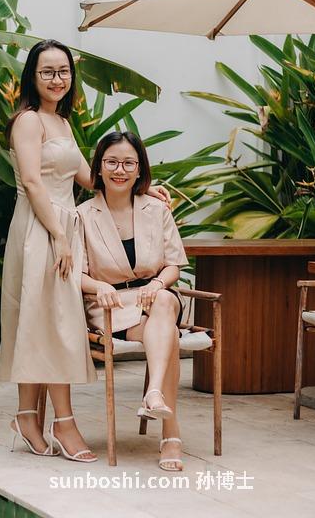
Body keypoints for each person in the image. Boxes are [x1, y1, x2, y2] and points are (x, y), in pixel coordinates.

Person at [0, 40, 170, 463]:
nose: (57, 79)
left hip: (62, 227)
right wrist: (58, 235)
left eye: (63, 71)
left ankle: (28, 417)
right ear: (32, 77)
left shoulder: (62, 122)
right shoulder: (28, 121)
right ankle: (61, 422)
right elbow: (33, 183)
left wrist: (144, 189)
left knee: (48, 321)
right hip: (40, 228)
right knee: (47, 321)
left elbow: (90, 179)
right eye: (47, 71)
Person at [78, 131, 188, 471]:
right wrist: (98, 285)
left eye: (129, 163)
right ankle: (170, 433)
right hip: (112, 306)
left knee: (165, 302)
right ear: (98, 168)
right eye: (112, 162)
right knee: (168, 334)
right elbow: (75, 273)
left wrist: (157, 283)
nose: (120, 170)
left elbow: (174, 265)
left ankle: (154, 393)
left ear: (140, 169)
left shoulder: (157, 209)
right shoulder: (82, 215)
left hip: (154, 294)